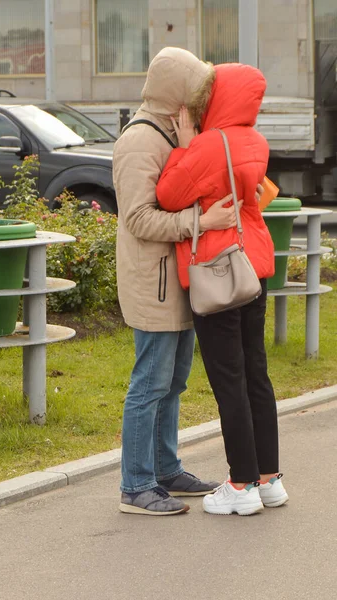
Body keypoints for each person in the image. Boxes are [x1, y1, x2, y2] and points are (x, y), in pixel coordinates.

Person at [113, 47, 250, 517]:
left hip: (180, 279)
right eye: (196, 93)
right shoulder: (139, 141)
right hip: (153, 282)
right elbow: (137, 219)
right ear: (175, 94)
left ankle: (165, 470)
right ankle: (136, 485)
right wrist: (202, 220)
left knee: (173, 383)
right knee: (149, 383)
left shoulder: (175, 132)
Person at [156, 62, 289, 516]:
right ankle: (269, 478)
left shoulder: (212, 144)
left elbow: (170, 195)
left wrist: (186, 147)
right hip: (255, 265)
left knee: (228, 378)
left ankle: (241, 484)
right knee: (256, 372)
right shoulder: (254, 139)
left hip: (217, 268)